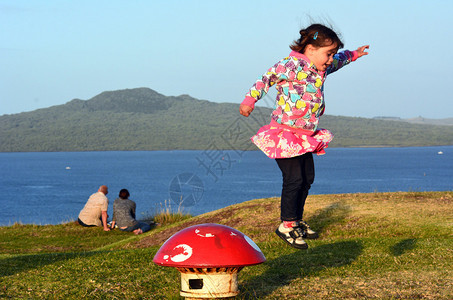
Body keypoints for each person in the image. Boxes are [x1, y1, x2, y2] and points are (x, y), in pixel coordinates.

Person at [240, 23, 369, 249]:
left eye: (332, 54)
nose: (330, 59)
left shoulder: (321, 68)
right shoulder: (290, 65)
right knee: (294, 180)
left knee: (307, 178)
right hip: (284, 134)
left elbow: (339, 62)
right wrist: (249, 101)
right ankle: (286, 226)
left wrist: (355, 54)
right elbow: (265, 79)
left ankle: (296, 220)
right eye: (328, 53)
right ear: (310, 48)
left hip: (305, 136)